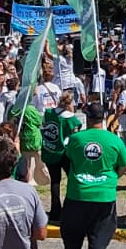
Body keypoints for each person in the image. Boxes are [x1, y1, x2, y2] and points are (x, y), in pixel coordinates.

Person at [60, 101, 126, 249]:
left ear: (87, 118)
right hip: (104, 195)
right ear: (104, 117)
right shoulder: (114, 140)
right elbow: (124, 165)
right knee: (99, 236)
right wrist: (113, 177)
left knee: (72, 236)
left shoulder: (76, 139)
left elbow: (68, 159)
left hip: (77, 194)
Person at [41, 90, 81, 222]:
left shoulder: (48, 113)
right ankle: (72, 208)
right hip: (65, 152)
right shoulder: (71, 118)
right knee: (72, 179)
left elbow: (44, 125)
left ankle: (55, 211)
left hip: (50, 149)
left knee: (55, 181)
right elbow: (75, 136)